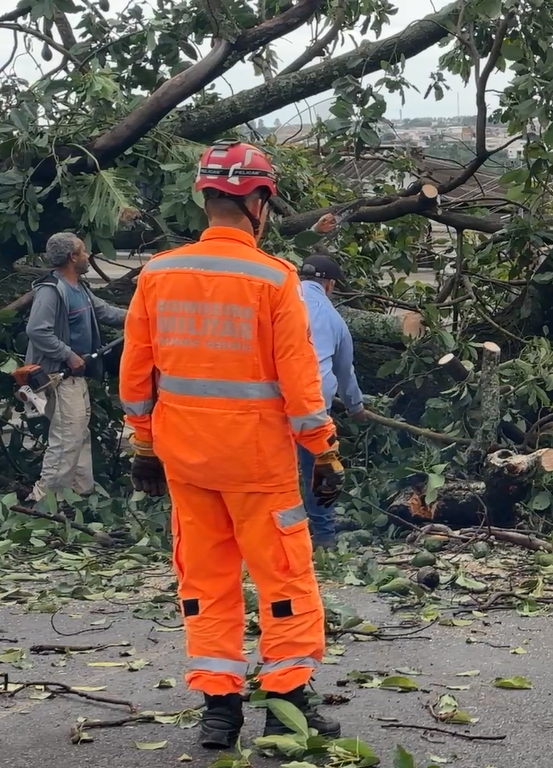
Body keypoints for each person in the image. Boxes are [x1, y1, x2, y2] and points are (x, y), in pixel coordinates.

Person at [118, 142, 346, 749]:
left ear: (207, 197)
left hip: (186, 461)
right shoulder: (276, 279)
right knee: (284, 580)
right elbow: (301, 384)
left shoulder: (158, 273)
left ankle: (219, 710)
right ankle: (285, 705)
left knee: (205, 582)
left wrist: (143, 445)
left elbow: (136, 374)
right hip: (259, 464)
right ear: (259, 201)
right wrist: (323, 451)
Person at [24, 232, 128, 502]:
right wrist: (68, 354)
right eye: (83, 251)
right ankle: (44, 501)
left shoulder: (79, 288)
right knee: (67, 436)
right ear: (72, 257)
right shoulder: (51, 290)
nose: (87, 256)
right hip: (57, 376)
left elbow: (104, 312)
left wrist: (141, 316)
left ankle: (82, 495)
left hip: (76, 377)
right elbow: (37, 330)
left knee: (80, 433)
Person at [297, 253, 368, 550]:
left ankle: (271, 533)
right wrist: (355, 406)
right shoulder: (333, 318)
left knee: (277, 469)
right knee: (320, 466)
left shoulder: (280, 302)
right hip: (314, 403)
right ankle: (324, 534)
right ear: (329, 285)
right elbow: (343, 369)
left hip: (271, 399)